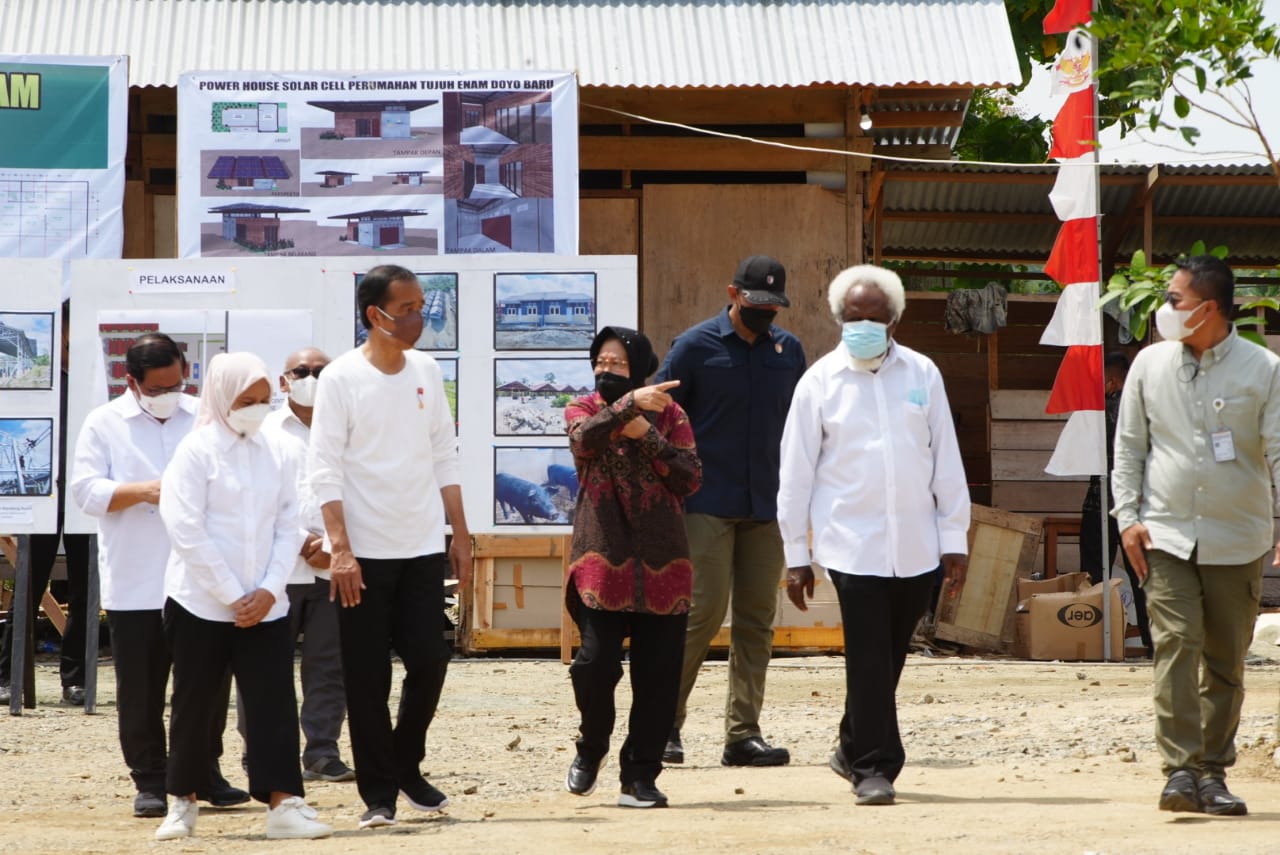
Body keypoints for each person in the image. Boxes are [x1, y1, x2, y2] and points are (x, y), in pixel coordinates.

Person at [778, 265, 969, 806]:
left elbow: (946, 461)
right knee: (866, 655)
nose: (863, 325)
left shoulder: (923, 374)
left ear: (894, 322)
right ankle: (874, 767)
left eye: (874, 318)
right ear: (840, 321)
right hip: (849, 542)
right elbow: (795, 473)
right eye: (854, 318)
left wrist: (954, 538)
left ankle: (848, 745)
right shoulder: (819, 382)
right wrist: (797, 554)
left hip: (917, 543)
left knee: (890, 657)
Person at [1112, 255, 1280, 817]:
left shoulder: (1263, 369)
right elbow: (1130, 447)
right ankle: (1180, 770)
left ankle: (1213, 772)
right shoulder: (1148, 365)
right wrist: (1126, 516)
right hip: (1164, 534)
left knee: (1226, 659)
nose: (1165, 309)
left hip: (1239, 537)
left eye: (1174, 299)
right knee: (1176, 643)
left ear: (1208, 308)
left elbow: (1279, 449)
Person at [309, 264, 472, 829]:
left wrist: (461, 534)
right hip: (363, 555)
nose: (419, 316)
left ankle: (406, 764)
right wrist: (341, 550)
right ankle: (378, 792)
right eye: (407, 308)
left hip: (423, 544)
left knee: (430, 658)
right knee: (367, 675)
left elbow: (444, 455)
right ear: (376, 316)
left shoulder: (427, 369)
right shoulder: (340, 379)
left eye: (420, 304)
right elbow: (324, 470)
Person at [155, 352, 331, 841]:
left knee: (274, 702)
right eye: (245, 400)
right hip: (201, 601)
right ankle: (183, 801)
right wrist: (234, 595)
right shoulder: (196, 452)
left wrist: (269, 589)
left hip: (266, 603)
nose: (255, 409)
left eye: (262, 400)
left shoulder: (276, 450)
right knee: (196, 702)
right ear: (220, 397)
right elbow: (186, 529)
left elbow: (286, 527)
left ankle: (283, 804)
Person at [70, 333, 248, 818]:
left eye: (178, 381)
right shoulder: (104, 423)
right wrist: (144, 491)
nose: (171, 392)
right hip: (138, 578)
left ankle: (202, 773)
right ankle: (150, 779)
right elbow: (85, 492)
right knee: (142, 688)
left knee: (205, 685)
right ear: (131, 382)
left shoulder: (205, 419)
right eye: (157, 388)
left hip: (200, 579)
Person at [655, 254, 805, 768]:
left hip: (768, 504)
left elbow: (803, 428)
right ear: (733, 293)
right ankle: (663, 726)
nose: (765, 312)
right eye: (755, 302)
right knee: (701, 613)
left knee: (756, 621)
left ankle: (743, 735)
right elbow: (660, 417)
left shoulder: (789, 351)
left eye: (773, 305)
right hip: (707, 503)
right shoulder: (694, 347)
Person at [562, 327, 701, 809]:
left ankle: (640, 775)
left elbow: (689, 478)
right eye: (600, 361)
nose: (606, 370)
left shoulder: (673, 414)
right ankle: (591, 748)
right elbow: (584, 442)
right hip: (603, 558)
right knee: (595, 664)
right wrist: (628, 408)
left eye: (618, 364)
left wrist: (648, 436)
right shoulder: (582, 408)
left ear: (639, 366)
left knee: (659, 676)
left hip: (665, 562)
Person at [237, 347, 355, 783]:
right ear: (284, 381)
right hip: (274, 570)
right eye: (302, 371)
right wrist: (306, 542)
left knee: (330, 666)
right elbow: (248, 496)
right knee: (262, 667)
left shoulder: (351, 428)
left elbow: (363, 493)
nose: (312, 377)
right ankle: (261, 753)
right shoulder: (263, 430)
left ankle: (322, 752)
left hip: (334, 568)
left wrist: (338, 546)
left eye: (322, 371)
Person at [1, 302, 90, 706]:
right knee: (29, 585)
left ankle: (77, 679)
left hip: (88, 497)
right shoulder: (37, 381)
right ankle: (9, 676)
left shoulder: (98, 382)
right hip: (41, 497)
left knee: (88, 589)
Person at [1079, 351, 1151, 653]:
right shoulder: (1145, 407)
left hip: (1102, 501)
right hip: (1140, 503)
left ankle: (1093, 640)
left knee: (1095, 574)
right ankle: (1155, 643)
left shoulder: (1105, 410)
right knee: (1144, 576)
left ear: (1110, 381)